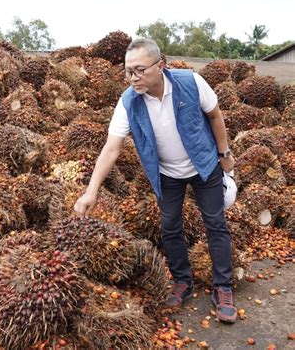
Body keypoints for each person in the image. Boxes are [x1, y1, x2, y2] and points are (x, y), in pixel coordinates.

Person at [74, 38, 237, 323]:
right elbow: (111, 148)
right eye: (128, 71)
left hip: (204, 164)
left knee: (215, 222)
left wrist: (224, 153)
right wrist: (91, 191)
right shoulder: (128, 102)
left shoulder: (191, 82)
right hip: (166, 173)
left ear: (160, 66)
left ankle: (223, 286)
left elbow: (214, 115)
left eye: (139, 70)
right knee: (169, 226)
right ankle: (182, 281)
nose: (133, 78)